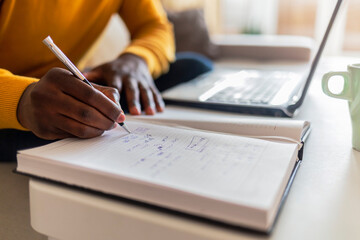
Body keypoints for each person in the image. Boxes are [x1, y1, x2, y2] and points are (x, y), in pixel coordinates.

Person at [0, 0, 212, 161]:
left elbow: (156, 26)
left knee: (195, 66)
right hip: (14, 106)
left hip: (65, 88)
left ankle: (94, 113)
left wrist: (135, 60)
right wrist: (22, 100)